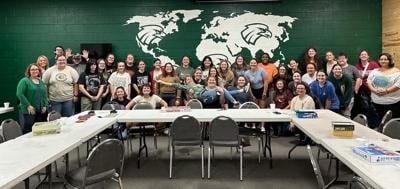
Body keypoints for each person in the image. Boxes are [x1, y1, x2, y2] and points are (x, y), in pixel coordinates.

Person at [157, 75, 242, 108]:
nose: (189, 80)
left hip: (209, 97)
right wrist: (162, 82)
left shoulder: (200, 85)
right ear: (186, 82)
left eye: (190, 78)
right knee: (221, 89)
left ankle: (240, 92)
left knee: (223, 91)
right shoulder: (187, 87)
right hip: (202, 96)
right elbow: (174, 85)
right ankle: (235, 101)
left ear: (193, 79)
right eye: (187, 80)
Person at [16, 64, 48, 134]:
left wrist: (45, 105)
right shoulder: (24, 81)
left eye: (36, 69)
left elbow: (45, 95)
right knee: (28, 130)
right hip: (29, 111)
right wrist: (28, 105)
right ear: (29, 71)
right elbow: (20, 94)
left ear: (39, 71)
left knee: (39, 131)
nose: (35, 71)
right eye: (32, 69)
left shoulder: (41, 82)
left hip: (40, 110)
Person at [367, 53, 400, 120]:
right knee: (377, 122)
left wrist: (386, 91)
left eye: (385, 59)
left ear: (390, 61)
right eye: (381, 59)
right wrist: (374, 90)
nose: (383, 61)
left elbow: (398, 85)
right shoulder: (374, 71)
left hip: (392, 103)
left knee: (391, 124)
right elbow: (369, 81)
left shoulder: (397, 72)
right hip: (376, 102)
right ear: (379, 61)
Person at [354, 50, 380, 127]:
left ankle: (375, 125)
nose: (363, 56)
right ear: (359, 56)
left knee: (373, 107)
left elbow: (378, 76)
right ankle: (367, 123)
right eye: (362, 54)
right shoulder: (357, 66)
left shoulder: (374, 65)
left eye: (365, 54)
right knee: (365, 107)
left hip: (372, 90)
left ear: (368, 56)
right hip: (362, 91)